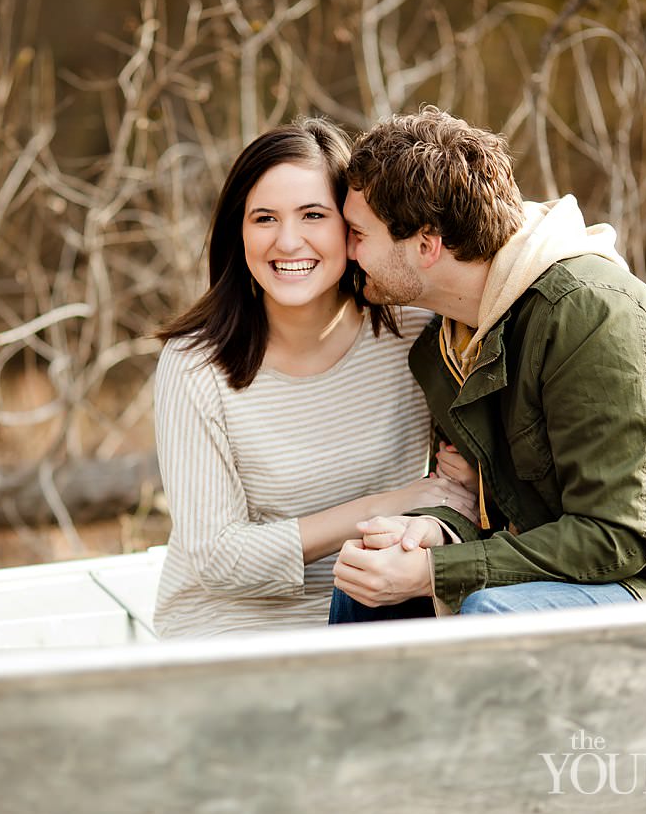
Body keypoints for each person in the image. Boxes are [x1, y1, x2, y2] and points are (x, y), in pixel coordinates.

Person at [330, 106, 646, 622]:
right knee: (365, 584)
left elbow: (612, 537)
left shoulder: (588, 313)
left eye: (358, 234)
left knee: (495, 612)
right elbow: (507, 515)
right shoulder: (445, 345)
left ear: (426, 244)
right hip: (589, 576)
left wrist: (435, 572)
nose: (347, 251)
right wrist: (433, 532)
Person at [151, 118, 472, 639]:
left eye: (313, 215)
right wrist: (391, 505)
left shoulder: (415, 329)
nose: (288, 241)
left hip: (384, 612)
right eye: (264, 218)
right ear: (239, 230)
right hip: (231, 632)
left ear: (352, 226)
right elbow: (219, 559)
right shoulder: (195, 365)